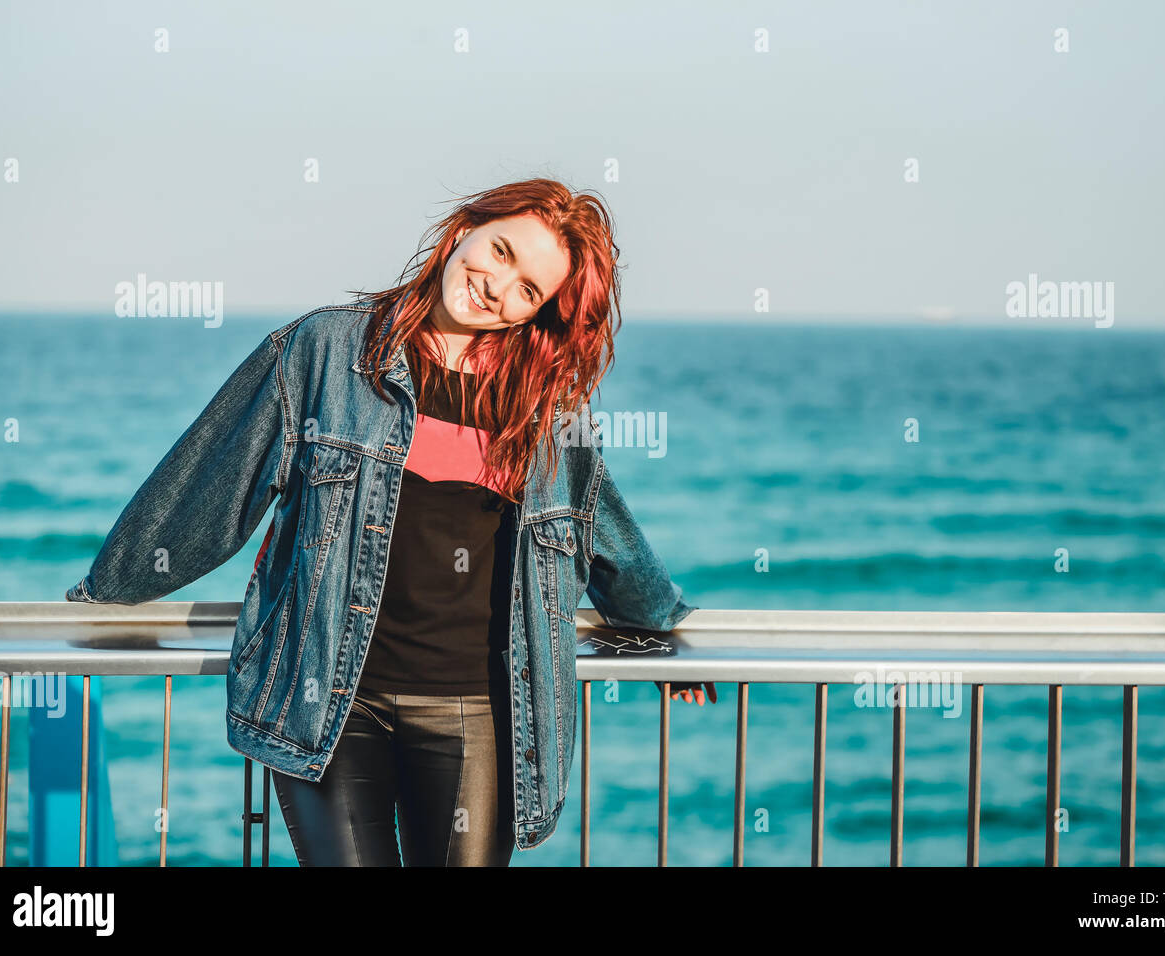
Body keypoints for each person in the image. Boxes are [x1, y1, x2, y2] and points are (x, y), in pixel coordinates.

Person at [67, 178, 712, 866]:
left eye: (528, 289)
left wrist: (657, 630)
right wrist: (103, 594)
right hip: (329, 704)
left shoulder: (548, 413)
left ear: (538, 314)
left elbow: (601, 532)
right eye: (499, 251)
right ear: (466, 227)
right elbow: (207, 486)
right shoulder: (325, 352)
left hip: (478, 716)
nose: (498, 286)